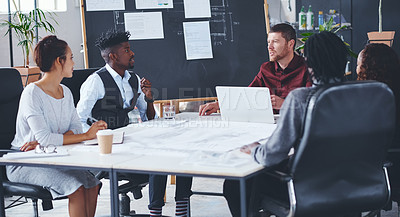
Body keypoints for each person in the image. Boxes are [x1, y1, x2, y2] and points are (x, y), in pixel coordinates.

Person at [223, 31, 350, 217]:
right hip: (354, 182)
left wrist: (256, 149)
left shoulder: (301, 99)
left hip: (307, 187)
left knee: (235, 184)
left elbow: (272, 155)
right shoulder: (367, 94)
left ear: (310, 64)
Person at [6, 35, 107, 217]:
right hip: (23, 162)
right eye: (71, 57)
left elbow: (75, 128)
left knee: (92, 184)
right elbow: (46, 138)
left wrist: (50, 142)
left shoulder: (65, 92)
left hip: (51, 155)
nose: (73, 63)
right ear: (59, 61)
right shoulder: (32, 93)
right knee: (75, 187)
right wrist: (84, 136)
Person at [199, 23, 311, 116]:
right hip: (267, 127)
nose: (269, 47)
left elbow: (315, 105)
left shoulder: (308, 68)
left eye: (275, 42)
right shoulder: (266, 69)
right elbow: (247, 96)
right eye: (268, 42)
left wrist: (285, 104)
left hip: (298, 127)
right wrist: (219, 104)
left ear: (290, 44)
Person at [76, 30, 155, 130]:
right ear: (113, 56)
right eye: (126, 50)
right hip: (103, 139)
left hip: (126, 136)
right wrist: (95, 139)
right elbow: (79, 119)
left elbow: (148, 119)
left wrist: (149, 99)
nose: (132, 53)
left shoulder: (134, 79)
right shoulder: (96, 81)